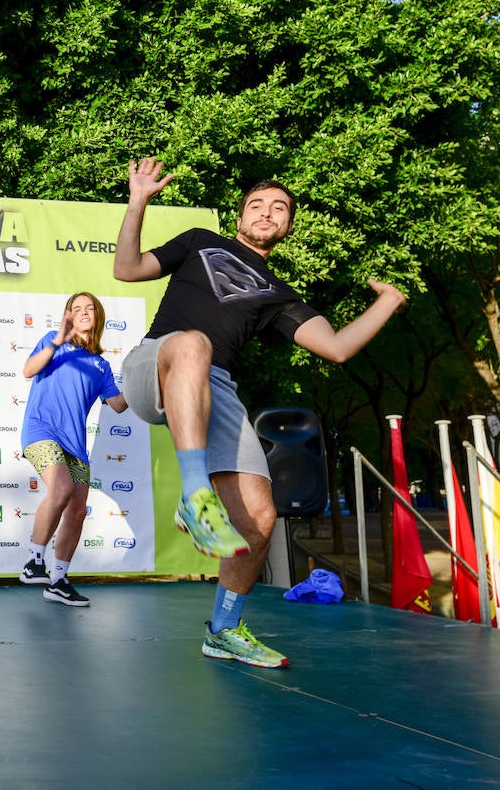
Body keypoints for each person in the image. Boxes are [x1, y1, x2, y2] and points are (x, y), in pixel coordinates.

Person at [113, 159, 406, 668]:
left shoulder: (279, 295)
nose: (267, 212)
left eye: (279, 208)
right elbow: (127, 268)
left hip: (216, 388)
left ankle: (224, 630)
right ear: (240, 215)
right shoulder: (201, 241)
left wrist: (388, 301)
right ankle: (195, 493)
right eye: (257, 205)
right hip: (157, 360)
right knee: (194, 343)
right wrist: (138, 200)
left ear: (287, 225)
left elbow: (336, 347)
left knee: (259, 517)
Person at [17, 292, 129, 607]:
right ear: (68, 316)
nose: (83, 312)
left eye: (89, 308)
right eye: (76, 308)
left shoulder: (102, 365)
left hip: (75, 445)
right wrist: (57, 341)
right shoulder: (52, 342)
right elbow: (28, 370)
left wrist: (146, 383)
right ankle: (33, 560)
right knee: (62, 488)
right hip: (41, 431)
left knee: (77, 511)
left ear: (98, 316)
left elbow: (118, 404)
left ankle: (58, 581)